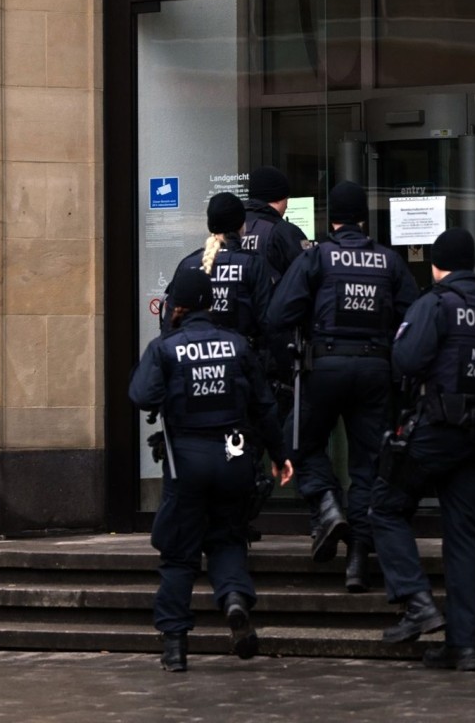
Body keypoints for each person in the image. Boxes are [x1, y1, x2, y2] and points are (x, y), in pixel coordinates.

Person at [369, 228, 475, 670]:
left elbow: (406, 360)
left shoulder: (435, 304)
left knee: (384, 506)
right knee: (464, 538)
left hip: (437, 428)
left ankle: (416, 602)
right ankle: (465, 646)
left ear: (438, 265)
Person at [129, 264, 293, 672]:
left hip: (186, 463)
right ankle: (235, 600)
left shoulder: (166, 348)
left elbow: (141, 395)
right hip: (234, 459)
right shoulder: (237, 345)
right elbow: (265, 407)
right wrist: (280, 454)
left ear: (177, 306)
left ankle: (175, 646)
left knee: (179, 554)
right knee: (228, 539)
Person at [265, 180, 418, 591]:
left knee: (296, 442)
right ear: (364, 219)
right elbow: (413, 321)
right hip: (375, 370)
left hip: (325, 367)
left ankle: (328, 505)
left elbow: (278, 314)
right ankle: (357, 563)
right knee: (369, 465)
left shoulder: (317, 258)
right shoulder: (389, 261)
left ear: (330, 218)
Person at [160, 192, 272, 345]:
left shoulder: (188, 264)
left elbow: (169, 326)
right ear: (242, 225)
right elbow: (268, 323)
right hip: (241, 360)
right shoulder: (252, 264)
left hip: (195, 358)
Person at [240, 165, 311, 286]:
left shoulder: (232, 227)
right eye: (287, 199)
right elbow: (309, 272)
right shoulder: (283, 231)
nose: (287, 205)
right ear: (279, 199)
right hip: (274, 303)